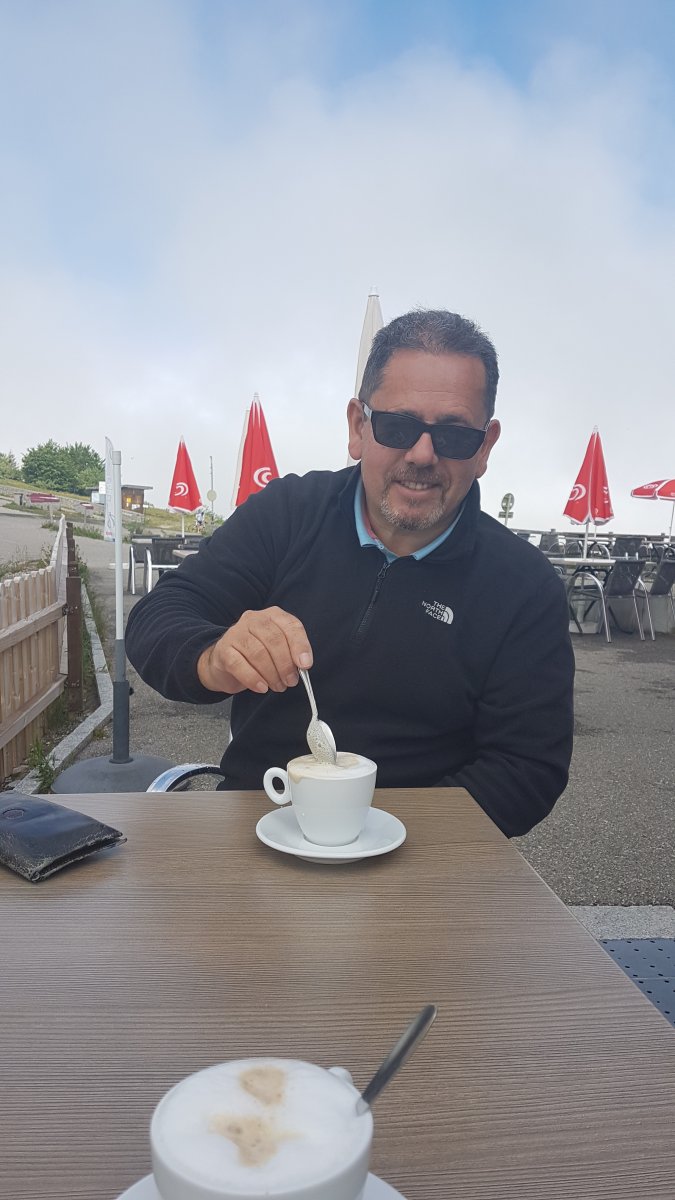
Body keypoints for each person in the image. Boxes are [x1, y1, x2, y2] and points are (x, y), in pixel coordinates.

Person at [126, 310, 574, 837]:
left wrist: (375, 838)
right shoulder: (289, 513)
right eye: (398, 426)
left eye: (454, 435)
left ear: (485, 447)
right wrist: (214, 658)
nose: (423, 454)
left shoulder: (522, 584)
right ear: (358, 428)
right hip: (258, 826)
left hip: (426, 855)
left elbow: (527, 767)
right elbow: (158, 616)